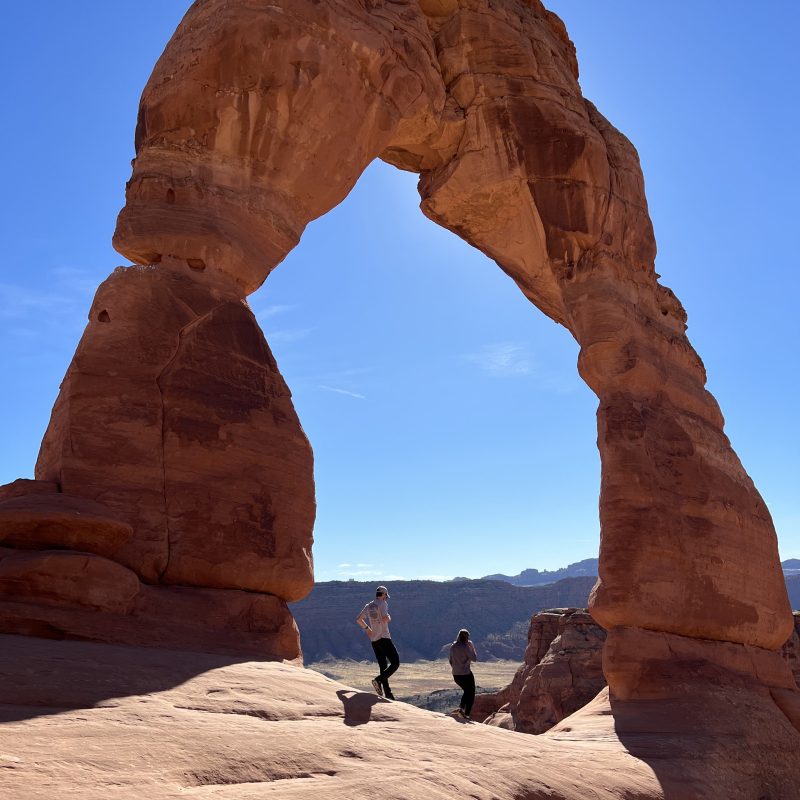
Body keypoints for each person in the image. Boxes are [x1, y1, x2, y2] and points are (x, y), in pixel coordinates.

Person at [355, 585, 400, 700]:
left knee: (383, 666)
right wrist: (389, 617)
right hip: (384, 637)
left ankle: (388, 694)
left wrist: (368, 630)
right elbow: (385, 618)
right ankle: (378, 680)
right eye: (386, 596)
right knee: (395, 663)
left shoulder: (368, 605)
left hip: (374, 640)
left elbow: (358, 619)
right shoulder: (383, 604)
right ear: (383, 595)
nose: (386, 598)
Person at [448, 628, 477, 719]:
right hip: (466, 674)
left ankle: (461, 709)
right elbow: (474, 658)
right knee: (471, 693)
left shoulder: (452, 646)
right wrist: (471, 646)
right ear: (466, 637)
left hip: (456, 675)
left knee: (466, 691)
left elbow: (450, 661)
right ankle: (466, 714)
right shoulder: (466, 647)